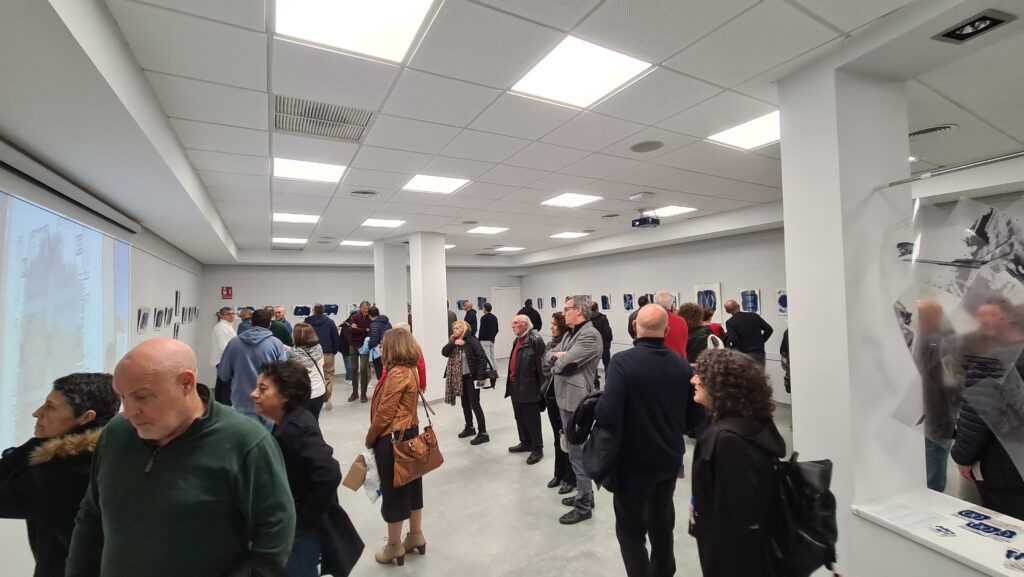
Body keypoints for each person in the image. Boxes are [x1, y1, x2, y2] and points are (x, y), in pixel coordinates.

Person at [65, 339, 296, 577]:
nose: (130, 413)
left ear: (186, 383)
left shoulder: (245, 442)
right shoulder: (116, 434)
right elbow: (91, 517)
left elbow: (275, 530)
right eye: (123, 397)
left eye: (141, 397)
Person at [595, 304, 693, 577]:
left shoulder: (621, 363)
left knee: (631, 533)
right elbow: (692, 420)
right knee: (662, 525)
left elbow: (607, 414)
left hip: (632, 465)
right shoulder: (681, 364)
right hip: (668, 461)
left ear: (634, 326)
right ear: (667, 330)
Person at [0, 373, 120, 577]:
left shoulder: (62, 472)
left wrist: (35, 446)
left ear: (86, 417)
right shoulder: (111, 454)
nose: (37, 413)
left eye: (50, 407)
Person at [252, 360, 355, 577]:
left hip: (301, 532)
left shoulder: (296, 428)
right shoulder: (290, 422)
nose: (254, 394)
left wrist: (305, 519)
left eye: (263, 389)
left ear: (285, 395)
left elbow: (328, 472)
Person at [691, 348, 786, 577]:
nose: (693, 380)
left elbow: (733, 521)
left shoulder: (727, 442)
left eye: (701, 375)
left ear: (720, 385)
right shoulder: (753, 426)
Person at [951, 300, 1024, 518]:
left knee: (1006, 524)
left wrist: (963, 457)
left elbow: (977, 415)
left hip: (1005, 462)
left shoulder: (993, 359)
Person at [366, 328, 429, 566]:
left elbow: (385, 414)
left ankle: (394, 546)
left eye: (384, 343)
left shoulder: (397, 373)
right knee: (412, 488)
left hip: (394, 438)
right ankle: (415, 535)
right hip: (410, 434)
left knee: (394, 492)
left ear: (393, 347)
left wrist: (370, 438)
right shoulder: (410, 369)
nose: (381, 347)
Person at [547, 295, 602, 525]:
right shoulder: (570, 334)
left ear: (578, 310)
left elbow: (563, 364)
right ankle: (585, 494)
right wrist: (557, 357)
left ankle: (583, 506)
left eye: (566, 308)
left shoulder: (589, 335)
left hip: (575, 401)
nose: (563, 313)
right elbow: (548, 357)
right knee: (572, 451)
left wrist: (558, 360)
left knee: (577, 454)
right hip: (564, 399)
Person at [914, 300, 960, 493]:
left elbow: (952, 385)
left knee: (931, 480)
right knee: (930, 476)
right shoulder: (928, 340)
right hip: (931, 421)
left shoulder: (939, 343)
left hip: (936, 422)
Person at [218, 308, 289, 430]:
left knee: (245, 438)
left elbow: (223, 374)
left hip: (242, 401)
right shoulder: (276, 344)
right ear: (270, 324)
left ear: (251, 323)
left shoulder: (234, 343)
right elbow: (283, 374)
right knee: (267, 438)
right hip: (269, 401)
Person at [506, 314, 546, 465]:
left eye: (516, 323)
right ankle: (525, 442)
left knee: (532, 419)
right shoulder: (517, 340)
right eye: (513, 323)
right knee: (520, 417)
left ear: (525, 324)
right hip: (515, 386)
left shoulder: (535, 340)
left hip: (529, 387)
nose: (513, 326)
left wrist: (541, 391)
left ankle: (537, 449)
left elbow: (542, 367)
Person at [543, 312, 576, 495]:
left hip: (566, 395)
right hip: (551, 395)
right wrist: (556, 358)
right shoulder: (550, 344)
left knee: (568, 438)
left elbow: (566, 367)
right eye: (551, 324)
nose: (551, 327)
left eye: (555, 324)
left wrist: (554, 359)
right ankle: (559, 473)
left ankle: (571, 478)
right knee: (558, 437)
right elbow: (546, 365)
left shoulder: (571, 344)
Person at [443, 320, 490, 445]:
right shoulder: (453, 341)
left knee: (475, 404)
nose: (455, 330)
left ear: (463, 329)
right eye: (454, 328)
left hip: (473, 377)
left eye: (458, 328)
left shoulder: (471, 340)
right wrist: (454, 343)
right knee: (465, 404)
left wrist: (480, 377)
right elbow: (444, 352)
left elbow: (482, 358)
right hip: (460, 378)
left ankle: (483, 433)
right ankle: (469, 427)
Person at [286, 323, 328, 419]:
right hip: (319, 391)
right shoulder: (318, 348)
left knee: (303, 423)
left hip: (303, 395)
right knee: (314, 420)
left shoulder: (292, 354)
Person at [304, 304, 341, 411]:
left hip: (311, 354)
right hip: (327, 352)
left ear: (313, 310)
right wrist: (334, 351)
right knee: (328, 375)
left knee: (312, 376)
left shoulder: (307, 322)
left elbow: (303, 336)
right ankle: (328, 397)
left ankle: (313, 398)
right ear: (323, 311)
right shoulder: (330, 322)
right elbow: (335, 338)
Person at [379, 323, 428, 393]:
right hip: (410, 379)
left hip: (393, 380)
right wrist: (422, 385)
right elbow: (421, 367)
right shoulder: (415, 346)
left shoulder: (392, 347)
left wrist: (380, 385)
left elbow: (385, 368)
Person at [723, 299, 774, 365]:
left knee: (746, 372)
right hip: (759, 352)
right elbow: (769, 329)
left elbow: (734, 339)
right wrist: (761, 341)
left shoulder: (730, 322)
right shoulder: (754, 316)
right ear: (738, 306)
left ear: (727, 311)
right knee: (760, 371)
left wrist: (734, 350)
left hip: (743, 354)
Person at [211, 306, 236, 405]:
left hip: (224, 360)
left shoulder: (227, 326)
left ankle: (219, 405)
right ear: (221, 316)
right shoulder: (222, 328)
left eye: (232, 313)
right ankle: (225, 406)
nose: (231, 316)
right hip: (224, 360)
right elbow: (223, 347)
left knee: (221, 385)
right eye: (228, 314)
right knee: (227, 386)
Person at [348, 301, 372, 403]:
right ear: (360, 308)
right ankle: (354, 393)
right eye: (364, 308)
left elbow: (370, 331)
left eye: (367, 308)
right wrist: (365, 330)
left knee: (363, 369)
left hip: (365, 345)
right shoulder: (354, 317)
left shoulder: (371, 317)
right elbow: (352, 331)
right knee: (354, 368)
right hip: (353, 344)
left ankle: (363, 394)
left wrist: (359, 329)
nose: (366, 310)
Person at [655, 291, 688, 360]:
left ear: (656, 304)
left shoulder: (653, 321)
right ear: (672, 304)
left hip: (659, 361)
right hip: (680, 362)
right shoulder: (681, 321)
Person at [589, 302, 613, 389]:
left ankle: (596, 385)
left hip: (593, 346)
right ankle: (608, 385)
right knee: (607, 365)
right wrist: (609, 340)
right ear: (597, 308)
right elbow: (607, 332)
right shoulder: (603, 318)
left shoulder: (587, 319)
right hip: (604, 346)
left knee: (593, 366)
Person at [367, 306, 393, 382]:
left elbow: (374, 341)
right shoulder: (388, 323)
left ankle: (383, 389)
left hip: (379, 352)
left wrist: (368, 345)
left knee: (380, 375)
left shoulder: (373, 325)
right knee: (388, 373)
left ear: (369, 315)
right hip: (389, 350)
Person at [479, 303, 499, 388]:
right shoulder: (494, 317)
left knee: (487, 358)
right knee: (492, 356)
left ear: (485, 308)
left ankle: (490, 375)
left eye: (483, 308)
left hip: (484, 340)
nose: (482, 309)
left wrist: (479, 339)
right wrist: (493, 336)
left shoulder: (483, 318)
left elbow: (482, 330)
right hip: (492, 340)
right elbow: (497, 329)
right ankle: (495, 372)